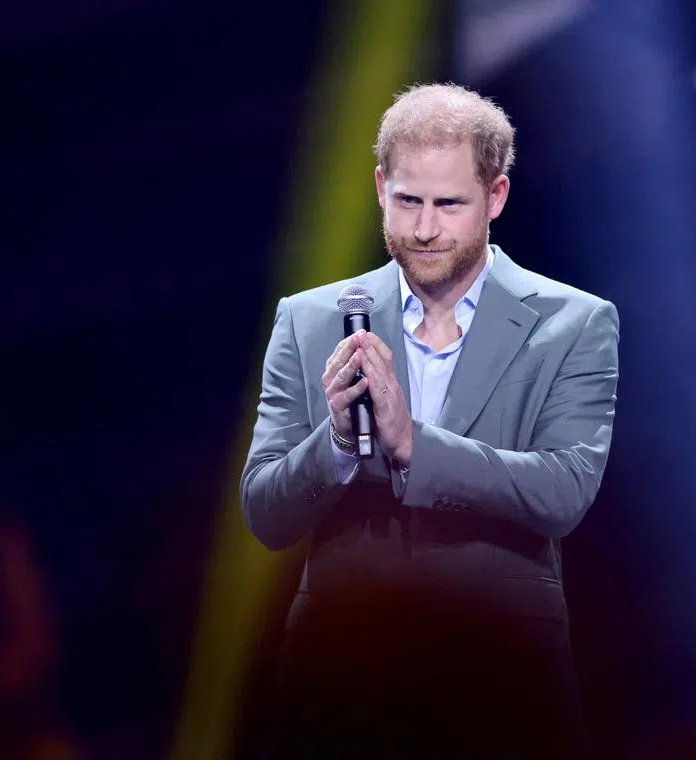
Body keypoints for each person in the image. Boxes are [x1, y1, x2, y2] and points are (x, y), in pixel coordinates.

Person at [241, 83, 620, 758]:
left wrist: (413, 442)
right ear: (381, 185)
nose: (423, 228)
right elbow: (266, 513)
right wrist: (333, 445)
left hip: (502, 681)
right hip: (343, 683)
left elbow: (563, 491)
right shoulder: (310, 320)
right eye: (408, 200)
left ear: (495, 197)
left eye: (449, 204)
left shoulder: (573, 323)